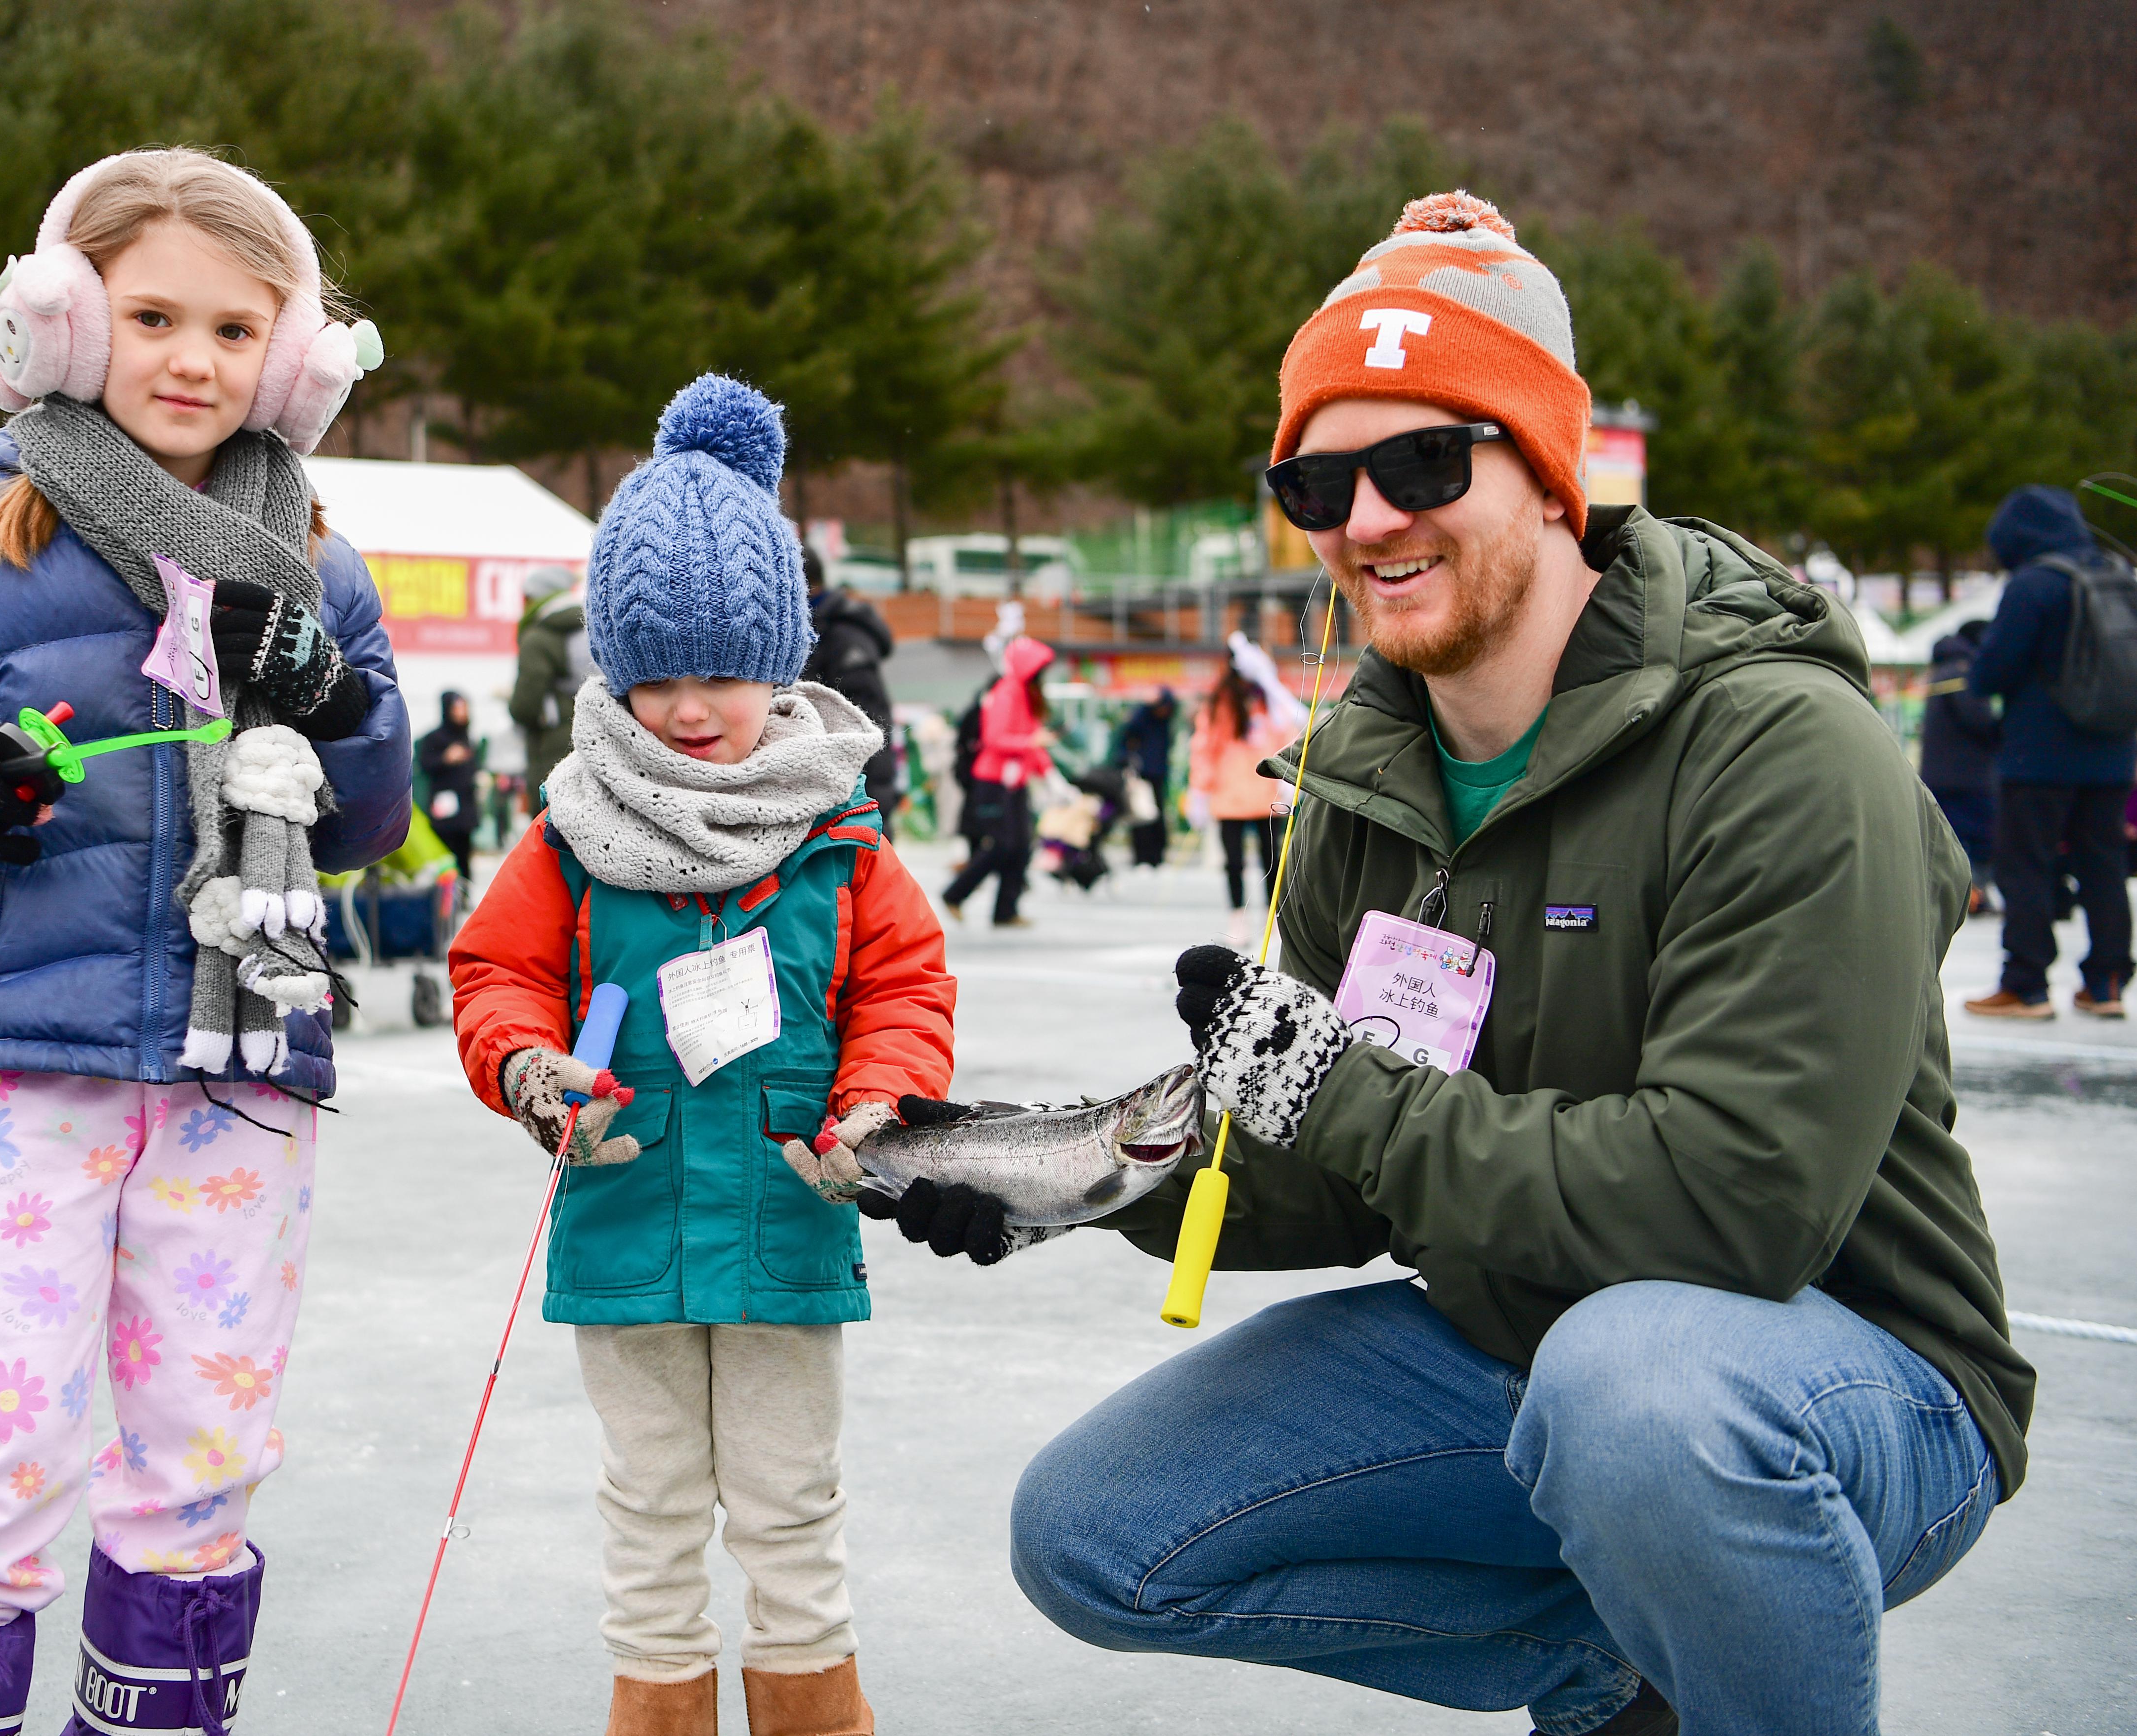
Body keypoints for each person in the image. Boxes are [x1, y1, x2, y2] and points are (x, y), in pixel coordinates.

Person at [880, 193, 2032, 1736]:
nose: (1363, 519)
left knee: (1632, 1392)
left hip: (1844, 1381)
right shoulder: (1367, 778)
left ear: (1549, 477)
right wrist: (1086, 1188)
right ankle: (1618, 1674)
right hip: (1529, 1353)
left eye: (1425, 461)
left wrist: (1339, 1093)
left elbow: (1738, 1208)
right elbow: (1346, 1173)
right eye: (1317, 480)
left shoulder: (1783, 749)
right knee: (1095, 1532)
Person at [0, 148, 410, 1735]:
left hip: (242, 1064)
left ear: (299, 354)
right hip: (32, 1061)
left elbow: (370, 814)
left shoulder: (317, 561)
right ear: (64, 323)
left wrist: (332, 696)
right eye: (151, 317)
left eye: (236, 328)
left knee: (206, 1445)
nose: (194, 359)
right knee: (6, 1431)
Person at [449, 376, 953, 1736]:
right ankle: (658, 1709)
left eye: (720, 671)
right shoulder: (567, 834)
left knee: (791, 1501)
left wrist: (876, 1100)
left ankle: (814, 1709)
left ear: (780, 665)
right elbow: (493, 973)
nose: (685, 708)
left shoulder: (840, 839)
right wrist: (530, 1069)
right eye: (652, 674)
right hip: (628, 1216)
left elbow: (904, 984)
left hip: (790, 1206)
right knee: (651, 1501)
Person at [1960, 486, 2134, 1018]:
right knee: (2103, 866)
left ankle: (2025, 985)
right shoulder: (2117, 574)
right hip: (2112, 750)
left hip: (2038, 756)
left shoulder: (2033, 584)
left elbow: (1992, 670)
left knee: (2026, 867)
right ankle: (2104, 984)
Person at [940, 634, 1054, 928]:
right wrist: (1032, 743)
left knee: (1021, 846)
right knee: (1002, 845)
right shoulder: (1007, 692)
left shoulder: (1025, 694)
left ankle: (1006, 910)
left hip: (1014, 783)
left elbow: (1033, 743)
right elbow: (995, 739)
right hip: (993, 782)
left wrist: (1050, 774)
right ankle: (956, 893)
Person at [1184, 643, 1301, 931]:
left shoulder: (1268, 699)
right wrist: (1199, 791)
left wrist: (1288, 780)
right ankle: (1238, 916)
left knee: (1271, 859)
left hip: (1266, 792)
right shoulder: (1221, 704)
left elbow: (1287, 732)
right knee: (1234, 862)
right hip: (1230, 795)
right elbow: (1205, 748)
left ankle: (1272, 915)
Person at [800, 545, 900, 828]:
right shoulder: (818, 627)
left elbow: (871, 721)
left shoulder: (844, 638)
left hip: (853, 800)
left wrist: (874, 799)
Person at [1919, 618, 2001, 913]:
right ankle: (1971, 898)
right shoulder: (1964, 672)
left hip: (1941, 776)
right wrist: (2005, 730)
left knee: (1949, 842)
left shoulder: (1944, 669)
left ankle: (1965, 898)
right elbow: (1978, 721)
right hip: (1968, 778)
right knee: (1985, 841)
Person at [509, 562, 591, 807]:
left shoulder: (539, 638)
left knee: (549, 825)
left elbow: (525, 706)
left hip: (552, 747)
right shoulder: (587, 628)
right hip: (591, 738)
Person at [414, 688, 483, 885]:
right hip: (444, 810)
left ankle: (465, 894)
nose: (462, 712)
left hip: (466, 808)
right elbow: (425, 765)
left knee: (464, 854)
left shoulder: (468, 738)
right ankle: (445, 899)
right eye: (457, 707)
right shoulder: (434, 739)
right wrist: (446, 758)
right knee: (444, 855)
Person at [1110, 687, 1177, 868]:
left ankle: (1158, 855)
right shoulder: (1141, 718)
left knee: (1158, 816)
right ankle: (1141, 856)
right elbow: (1125, 743)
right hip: (1140, 775)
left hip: (1158, 775)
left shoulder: (1164, 721)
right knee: (1139, 815)